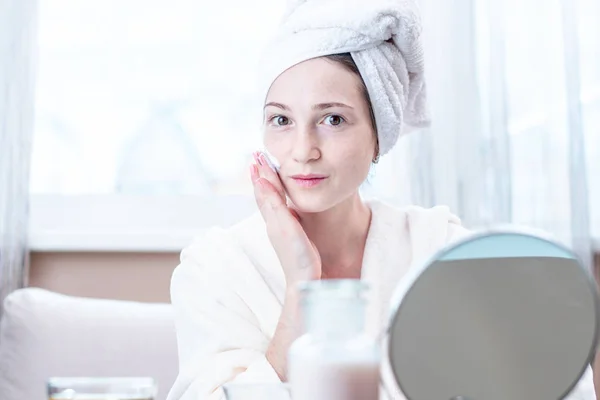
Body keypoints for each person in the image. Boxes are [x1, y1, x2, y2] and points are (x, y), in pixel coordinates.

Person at [166, 0, 597, 399]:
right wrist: (302, 283)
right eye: (281, 119)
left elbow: (557, 375)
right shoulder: (215, 267)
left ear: (380, 135)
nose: (302, 149)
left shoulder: (437, 246)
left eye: (332, 119)